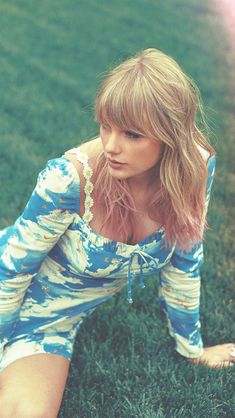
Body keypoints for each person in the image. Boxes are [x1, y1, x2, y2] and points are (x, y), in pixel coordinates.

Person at [0, 48, 234, 418]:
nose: (111, 145)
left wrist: (193, 350)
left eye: (132, 134)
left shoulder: (196, 167)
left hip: (50, 322)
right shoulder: (70, 179)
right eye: (105, 125)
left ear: (169, 136)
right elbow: (11, 270)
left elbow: (184, 264)